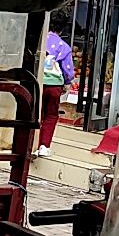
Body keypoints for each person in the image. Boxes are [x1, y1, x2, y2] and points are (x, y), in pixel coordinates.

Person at [36, 29, 75, 157]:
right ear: (61, 30)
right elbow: (67, 69)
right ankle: (44, 146)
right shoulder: (64, 46)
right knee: (51, 115)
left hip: (38, 82)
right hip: (54, 85)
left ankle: (31, 143)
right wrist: (67, 82)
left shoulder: (39, 41)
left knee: (36, 114)